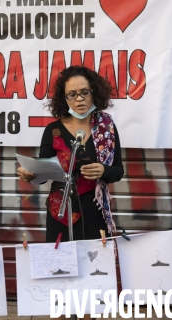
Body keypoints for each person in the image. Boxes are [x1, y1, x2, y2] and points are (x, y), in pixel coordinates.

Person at [17, 66, 124, 242]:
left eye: (84, 92)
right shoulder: (54, 130)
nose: (79, 99)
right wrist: (30, 174)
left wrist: (104, 171)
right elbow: (43, 173)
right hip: (60, 212)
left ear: (94, 93)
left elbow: (118, 171)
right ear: (64, 98)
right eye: (72, 94)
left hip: (94, 211)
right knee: (61, 267)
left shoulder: (106, 128)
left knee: (94, 265)